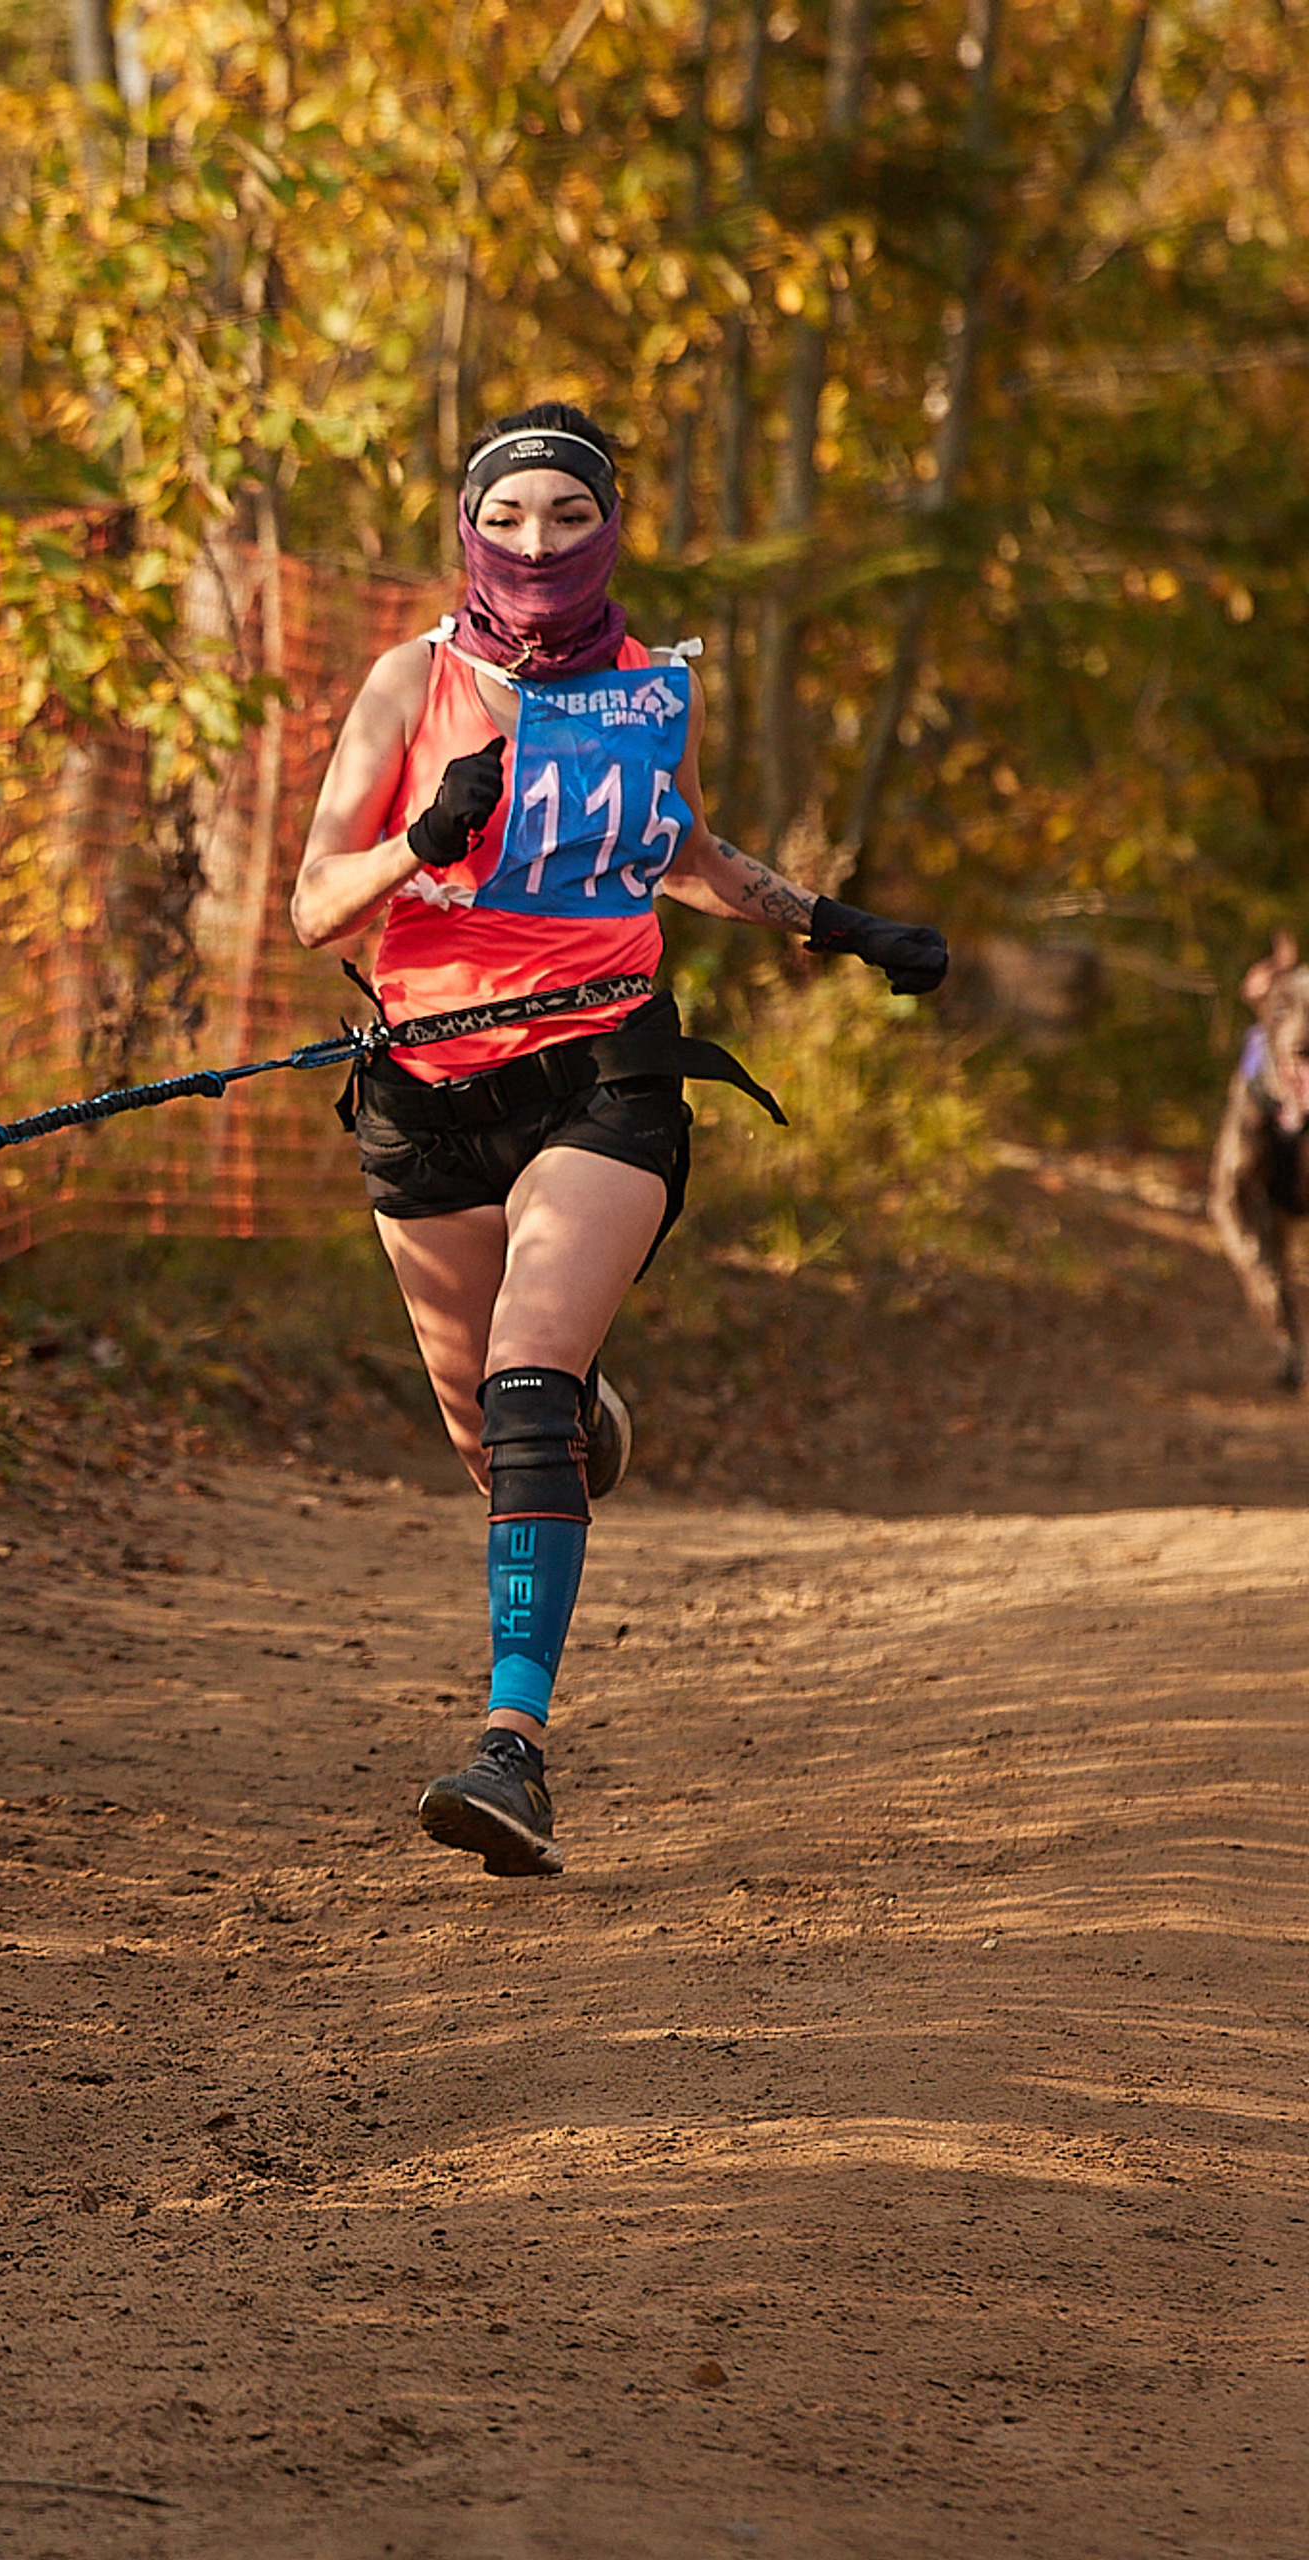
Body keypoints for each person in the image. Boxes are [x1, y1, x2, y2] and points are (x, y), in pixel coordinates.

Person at [289, 401, 947, 1877]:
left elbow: (688, 856)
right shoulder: (413, 683)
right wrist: (420, 842)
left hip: (602, 1072)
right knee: (493, 1433)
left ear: (612, 529)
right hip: (421, 1095)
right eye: (509, 519)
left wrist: (833, 925)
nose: (537, 546)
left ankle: (511, 1751)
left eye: (568, 518)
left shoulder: (656, 690)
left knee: (523, 1385)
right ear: (469, 531)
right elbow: (311, 906)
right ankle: (574, 1431)